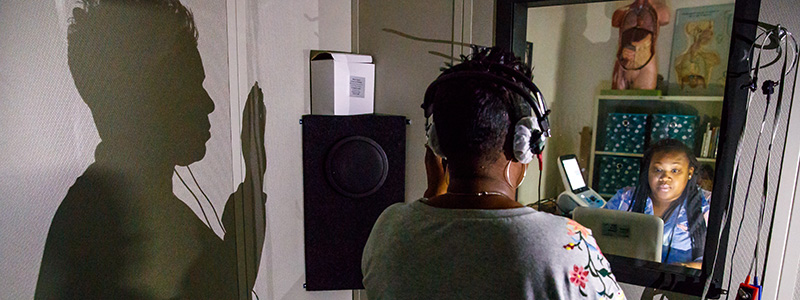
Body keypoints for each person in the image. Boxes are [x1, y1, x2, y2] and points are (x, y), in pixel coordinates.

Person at [35, 1, 267, 298]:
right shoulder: (103, 220)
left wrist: (255, 175)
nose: (208, 103)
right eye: (192, 85)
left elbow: (226, 281)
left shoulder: (110, 207)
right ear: (148, 99)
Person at [361, 47, 626, 300]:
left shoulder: (389, 229)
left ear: (436, 143)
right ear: (525, 145)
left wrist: (433, 194)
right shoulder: (568, 245)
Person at [604, 138, 710, 268]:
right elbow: (598, 237)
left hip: (677, 285)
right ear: (648, 170)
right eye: (658, 170)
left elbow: (713, 262)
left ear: (690, 172)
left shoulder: (706, 206)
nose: (665, 177)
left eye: (675, 171)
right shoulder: (625, 199)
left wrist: (683, 267)